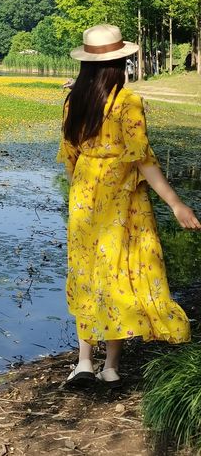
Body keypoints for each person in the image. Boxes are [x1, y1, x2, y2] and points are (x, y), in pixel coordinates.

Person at [57, 24, 201, 389]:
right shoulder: (127, 101)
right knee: (118, 272)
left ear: (87, 64)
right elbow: (143, 160)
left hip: (84, 196)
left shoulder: (74, 99)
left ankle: (84, 362)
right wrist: (176, 204)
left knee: (87, 272)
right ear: (120, 62)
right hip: (120, 197)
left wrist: (83, 192)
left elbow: (71, 157)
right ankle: (110, 367)